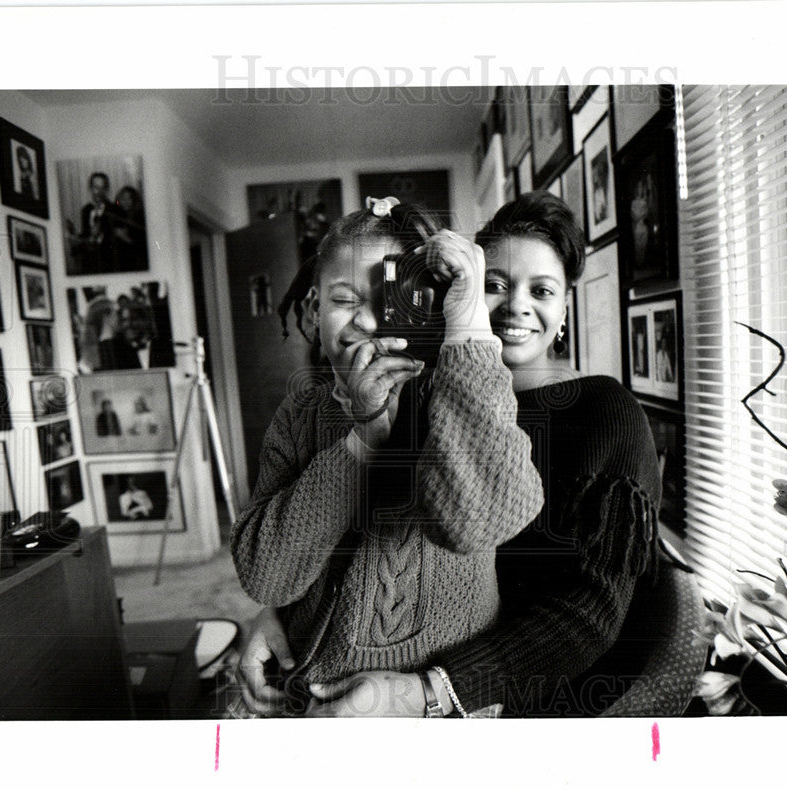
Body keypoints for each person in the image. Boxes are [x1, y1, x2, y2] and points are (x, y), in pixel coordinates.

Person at [237, 192, 664, 718]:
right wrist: (277, 613)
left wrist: (427, 693)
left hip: (504, 687)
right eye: (492, 285)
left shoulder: (591, 409)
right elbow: (286, 565)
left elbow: (586, 612)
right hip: (337, 681)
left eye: (542, 289)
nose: (514, 307)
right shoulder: (353, 404)